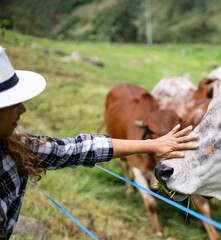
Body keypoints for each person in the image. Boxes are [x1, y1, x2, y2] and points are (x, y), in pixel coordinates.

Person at [0, 45, 198, 239]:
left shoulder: (16, 146)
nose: (23, 109)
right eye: (13, 104)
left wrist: (152, 145)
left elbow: (78, 149)